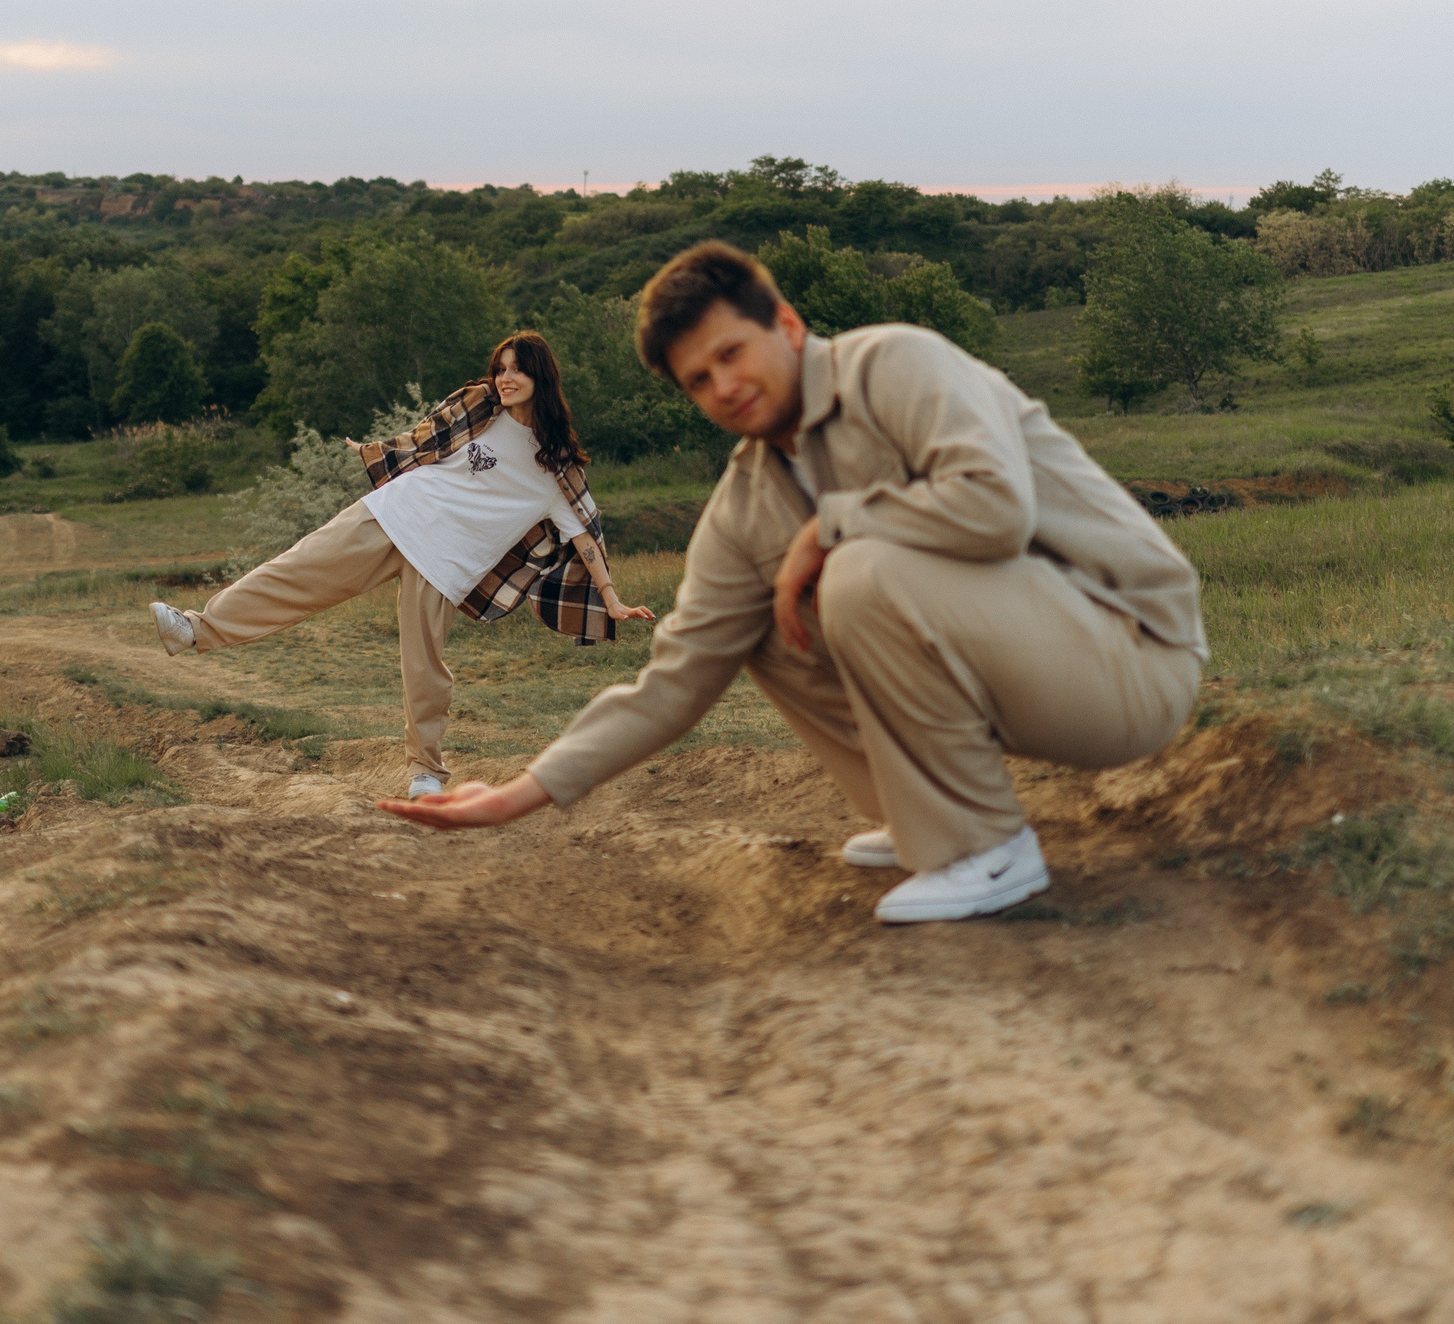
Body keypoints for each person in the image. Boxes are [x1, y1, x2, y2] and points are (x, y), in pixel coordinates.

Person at [380, 241, 1207, 924]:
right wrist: (522, 793)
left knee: (856, 572)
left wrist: (832, 525)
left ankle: (983, 851)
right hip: (1036, 673)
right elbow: (675, 679)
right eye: (699, 381)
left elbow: (996, 510)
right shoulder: (749, 500)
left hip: (1133, 655)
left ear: (787, 324)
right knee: (765, 622)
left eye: (732, 354)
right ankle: (924, 811)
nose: (725, 387)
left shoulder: (897, 365)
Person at [151, 332, 654, 798]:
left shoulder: (554, 464)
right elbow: (425, 438)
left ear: (541, 377)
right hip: (394, 513)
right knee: (296, 570)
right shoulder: (479, 408)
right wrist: (377, 451)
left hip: (444, 562)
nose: (504, 378)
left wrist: (611, 597)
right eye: (500, 368)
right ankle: (195, 630)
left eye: (517, 370)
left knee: (424, 667)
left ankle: (426, 773)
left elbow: (583, 536)